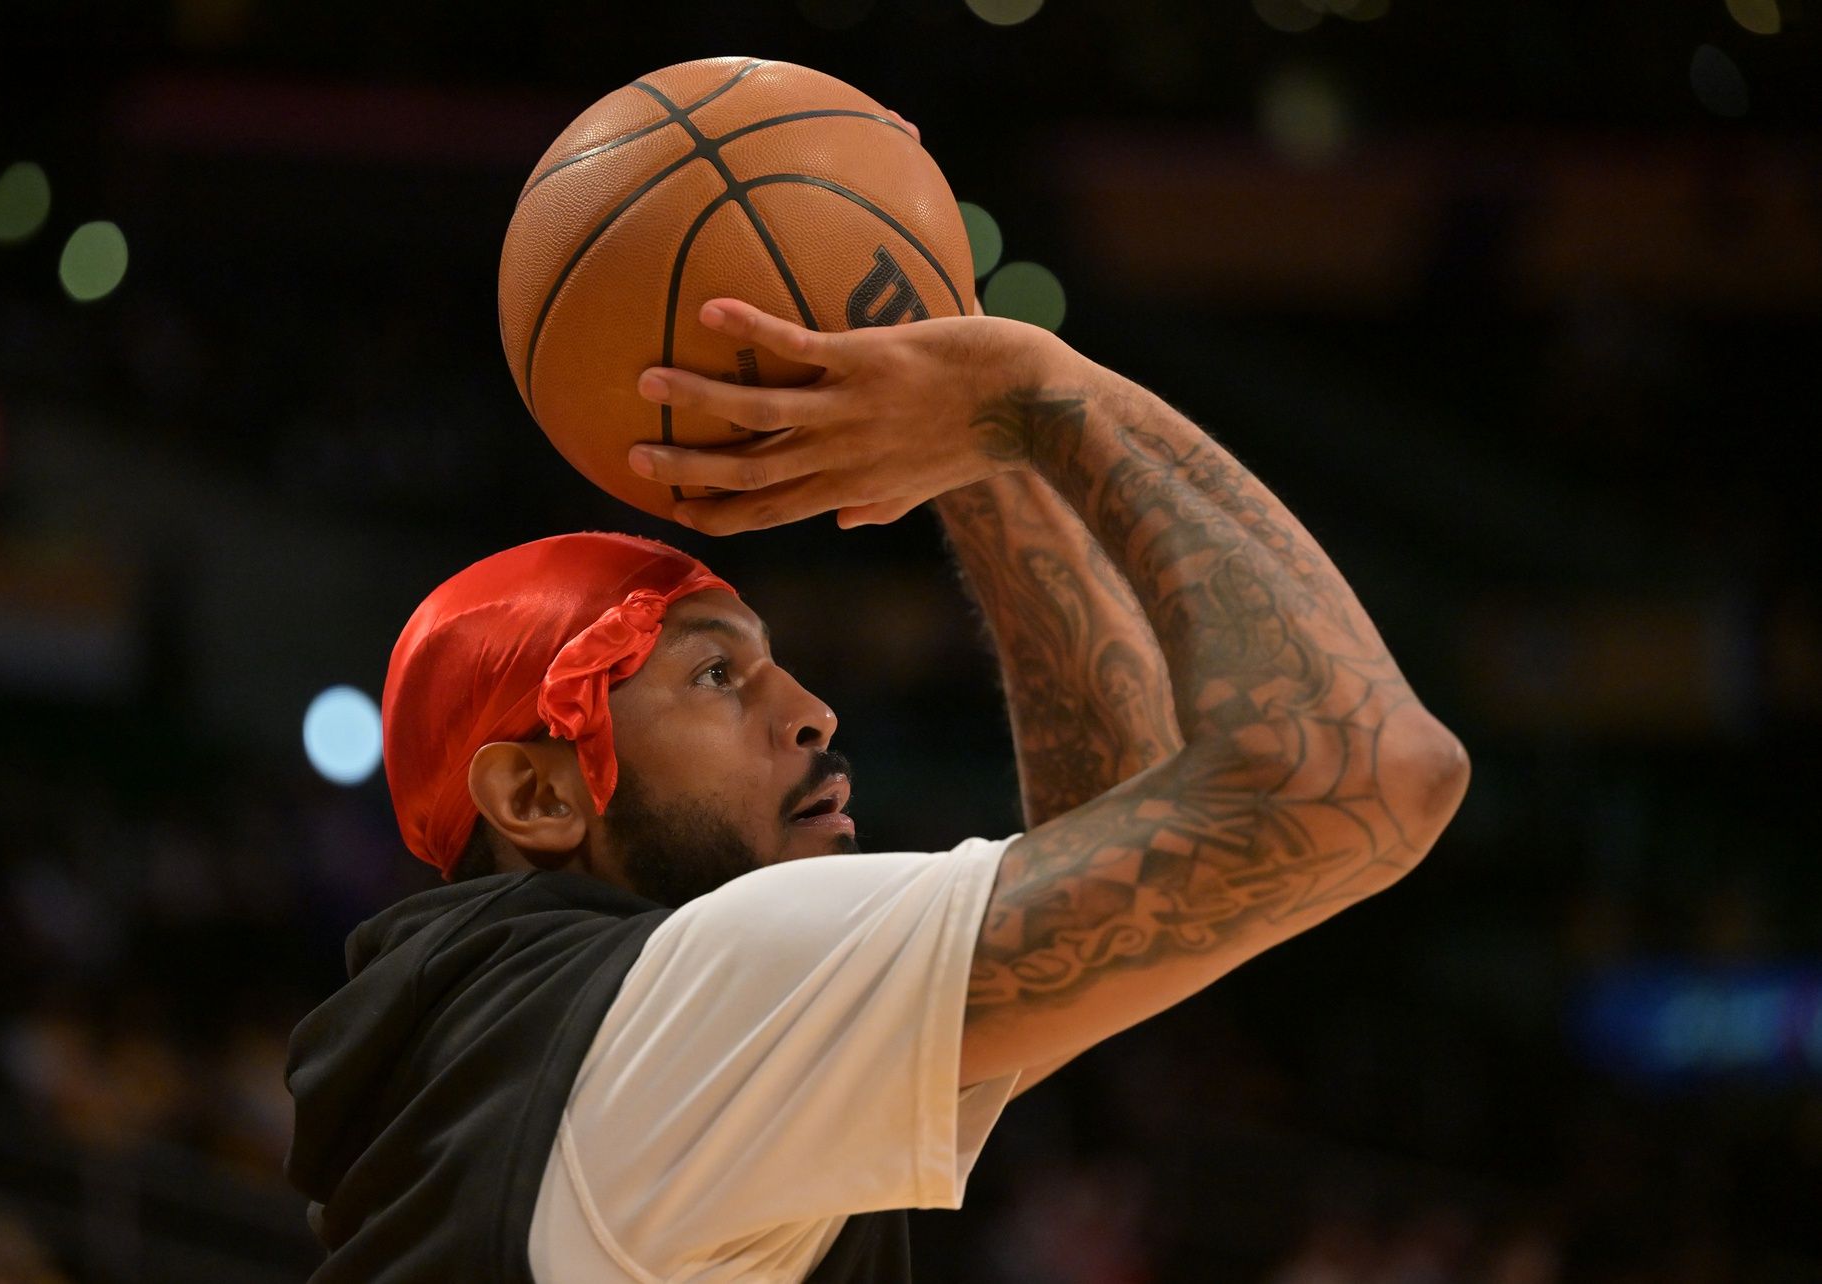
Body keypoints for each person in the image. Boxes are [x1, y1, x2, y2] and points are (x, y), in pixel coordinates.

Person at [284, 297, 1470, 1284]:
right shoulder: (690, 997)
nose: (810, 709)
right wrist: (1036, 388)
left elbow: (1119, 829)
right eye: (714, 673)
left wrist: (983, 460)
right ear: (537, 798)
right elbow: (1365, 777)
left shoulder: (504, 1052)